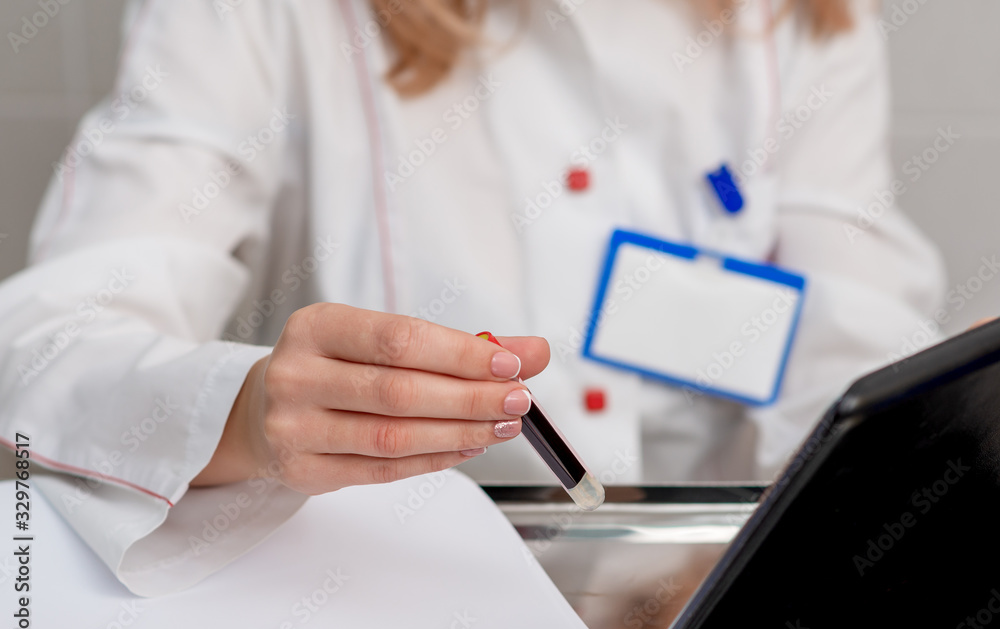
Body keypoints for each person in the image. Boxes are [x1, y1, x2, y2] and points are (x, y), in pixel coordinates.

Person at [0, 0, 945, 596]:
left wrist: (928, 422)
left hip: (710, 600)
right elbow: (42, 352)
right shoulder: (253, 17)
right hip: (388, 609)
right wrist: (245, 413)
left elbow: (850, 334)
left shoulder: (805, 20)